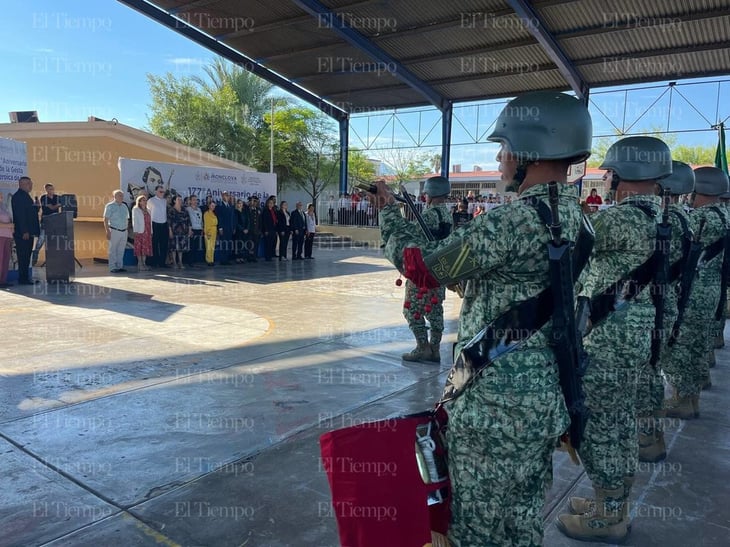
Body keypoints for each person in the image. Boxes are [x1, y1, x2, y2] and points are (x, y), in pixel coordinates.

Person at [372, 91, 592, 546]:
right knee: (522, 521)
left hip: (493, 406)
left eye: (504, 148)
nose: (499, 157)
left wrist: (390, 214)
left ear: (529, 153)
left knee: (475, 528)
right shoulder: (581, 221)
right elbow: (518, 286)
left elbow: (423, 268)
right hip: (545, 401)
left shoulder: (511, 222)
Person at [557, 136, 671, 543]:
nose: (606, 179)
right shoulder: (654, 218)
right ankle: (612, 502)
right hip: (629, 340)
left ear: (622, 175)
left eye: (609, 173)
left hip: (608, 343)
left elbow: (568, 232)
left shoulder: (624, 218)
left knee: (600, 427)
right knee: (620, 425)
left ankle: (608, 516)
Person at [636, 161, 694, 463]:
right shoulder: (686, 221)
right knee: (653, 373)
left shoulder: (642, 219)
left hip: (641, 310)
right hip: (665, 302)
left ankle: (647, 438)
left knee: (643, 378)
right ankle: (652, 435)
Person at [663, 167, 730, 420]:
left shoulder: (701, 219)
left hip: (694, 292)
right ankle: (691, 398)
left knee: (680, 347)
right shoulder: (723, 215)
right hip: (711, 290)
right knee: (696, 346)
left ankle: (683, 400)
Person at [400, 176, 453, 364]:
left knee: (411, 309)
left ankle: (422, 347)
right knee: (435, 310)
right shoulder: (446, 214)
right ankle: (435, 349)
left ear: (429, 194)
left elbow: (412, 236)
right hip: (439, 270)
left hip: (423, 272)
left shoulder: (430, 215)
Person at [11, 177, 41, 285]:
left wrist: (36, 207)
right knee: (23, 256)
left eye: (31, 183)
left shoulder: (26, 196)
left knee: (27, 256)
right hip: (23, 233)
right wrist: (24, 231)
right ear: (22, 184)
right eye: (29, 183)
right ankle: (22, 279)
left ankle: (25, 278)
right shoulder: (18, 197)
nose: (31, 185)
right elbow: (20, 216)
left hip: (29, 232)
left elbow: (29, 213)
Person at [32, 183, 61, 265]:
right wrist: (57, 205)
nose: (52, 190)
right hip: (46, 221)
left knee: (54, 240)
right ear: (46, 190)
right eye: (50, 189)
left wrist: (57, 205)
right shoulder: (44, 197)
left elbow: (60, 205)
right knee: (41, 240)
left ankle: (53, 259)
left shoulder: (57, 197)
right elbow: (52, 207)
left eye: (53, 188)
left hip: (55, 222)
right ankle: (35, 255)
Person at [103, 189, 130, 274]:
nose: (121, 197)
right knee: (113, 249)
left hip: (124, 231)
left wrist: (127, 229)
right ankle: (112, 267)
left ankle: (119, 266)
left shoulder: (124, 206)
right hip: (114, 230)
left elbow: (127, 218)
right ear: (114, 196)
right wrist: (107, 231)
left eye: (122, 195)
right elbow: (105, 219)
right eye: (119, 195)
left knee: (121, 249)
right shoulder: (110, 206)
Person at [147, 185, 169, 268]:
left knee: (164, 244)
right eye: (160, 191)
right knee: (154, 244)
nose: (162, 193)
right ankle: (154, 262)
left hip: (163, 224)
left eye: (163, 192)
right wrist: (150, 228)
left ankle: (162, 262)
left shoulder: (164, 201)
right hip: (154, 224)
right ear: (155, 191)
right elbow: (148, 215)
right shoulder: (151, 201)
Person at [168, 195, 192, 269]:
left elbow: (189, 221)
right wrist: (170, 231)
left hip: (183, 232)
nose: (180, 201)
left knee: (181, 248)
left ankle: (180, 262)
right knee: (174, 248)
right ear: (174, 201)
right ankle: (174, 262)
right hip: (174, 232)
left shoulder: (185, 210)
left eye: (181, 199)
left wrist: (190, 230)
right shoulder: (171, 210)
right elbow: (169, 222)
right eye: (178, 199)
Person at [131, 194, 153, 271]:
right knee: (139, 248)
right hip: (140, 231)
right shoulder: (136, 209)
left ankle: (144, 263)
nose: (145, 201)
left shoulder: (148, 210)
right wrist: (135, 230)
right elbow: (134, 221)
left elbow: (150, 222)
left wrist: (151, 231)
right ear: (139, 202)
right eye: (143, 200)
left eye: (145, 200)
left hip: (147, 231)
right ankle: (140, 264)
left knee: (145, 248)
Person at [0, 192, 14, 287]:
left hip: (8, 236)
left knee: (6, 259)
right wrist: (9, 225)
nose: (1, 197)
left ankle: (3, 280)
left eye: (1, 195)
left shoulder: (3, 207)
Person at [186, 195, 204, 266]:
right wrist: (189, 229)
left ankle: (194, 260)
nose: (195, 201)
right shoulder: (188, 209)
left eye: (196, 200)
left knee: (197, 246)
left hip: (199, 229)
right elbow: (187, 220)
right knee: (191, 246)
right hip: (192, 229)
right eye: (193, 200)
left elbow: (201, 219)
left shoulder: (199, 209)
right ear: (190, 201)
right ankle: (189, 261)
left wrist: (202, 228)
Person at [261, 197, 279, 261]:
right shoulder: (265, 211)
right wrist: (265, 230)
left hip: (273, 229)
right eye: (270, 203)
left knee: (272, 243)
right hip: (268, 230)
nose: (271, 204)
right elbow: (264, 221)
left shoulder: (274, 211)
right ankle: (267, 257)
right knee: (268, 243)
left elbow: (276, 220)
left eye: (272, 203)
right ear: (267, 204)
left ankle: (271, 255)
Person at [203, 200, 221, 266]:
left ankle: (211, 260)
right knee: (208, 246)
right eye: (212, 206)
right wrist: (207, 232)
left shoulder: (214, 213)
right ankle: (208, 260)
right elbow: (206, 224)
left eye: (214, 206)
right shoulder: (206, 213)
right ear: (209, 206)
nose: (213, 207)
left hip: (214, 231)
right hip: (209, 231)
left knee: (212, 246)